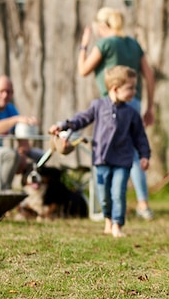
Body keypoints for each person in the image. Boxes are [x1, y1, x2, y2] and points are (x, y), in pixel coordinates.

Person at [50, 65, 151, 239]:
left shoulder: (131, 113)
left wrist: (144, 155)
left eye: (135, 87)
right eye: (131, 88)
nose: (134, 91)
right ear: (115, 88)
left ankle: (117, 225)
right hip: (101, 160)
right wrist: (63, 125)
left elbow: (140, 137)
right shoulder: (98, 106)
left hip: (123, 161)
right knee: (104, 195)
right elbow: (81, 120)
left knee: (118, 192)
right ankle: (108, 220)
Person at [77, 6, 156, 220]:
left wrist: (84, 45)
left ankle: (113, 205)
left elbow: (83, 70)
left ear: (102, 26)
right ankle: (142, 203)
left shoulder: (104, 44)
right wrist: (149, 106)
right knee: (133, 153)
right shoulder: (133, 44)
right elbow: (149, 75)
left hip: (112, 106)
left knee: (111, 153)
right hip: (134, 102)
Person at [0, 75, 39, 190]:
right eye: (1, 91)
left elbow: (24, 143)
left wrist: (22, 154)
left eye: (8, 92)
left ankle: (35, 197)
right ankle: (3, 196)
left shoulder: (10, 109)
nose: (5, 95)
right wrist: (15, 120)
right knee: (10, 155)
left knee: (40, 157)